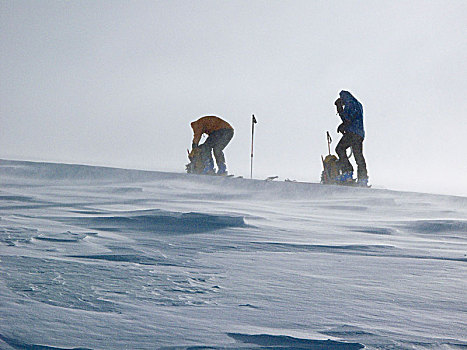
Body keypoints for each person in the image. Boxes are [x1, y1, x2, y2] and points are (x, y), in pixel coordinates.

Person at [334, 90, 368, 185]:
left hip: (352, 133)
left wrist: (339, 108)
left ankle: (347, 172)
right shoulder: (358, 104)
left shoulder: (350, 103)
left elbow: (347, 118)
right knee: (358, 155)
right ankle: (363, 178)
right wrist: (343, 125)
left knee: (339, 149)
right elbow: (352, 119)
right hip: (359, 133)